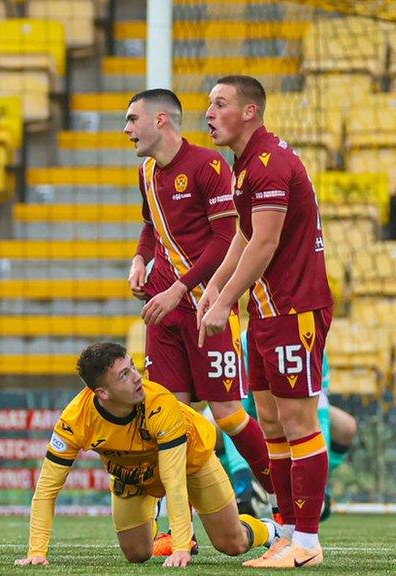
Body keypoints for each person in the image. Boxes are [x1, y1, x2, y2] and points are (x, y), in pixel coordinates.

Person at [123, 89, 274, 555]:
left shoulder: (209, 167)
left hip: (207, 310)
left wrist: (177, 287)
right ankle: (175, 527)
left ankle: (285, 500)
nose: (127, 129)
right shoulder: (147, 171)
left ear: (161, 120)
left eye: (132, 120)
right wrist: (140, 259)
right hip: (164, 315)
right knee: (168, 418)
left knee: (229, 416)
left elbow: (227, 239)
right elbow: (151, 226)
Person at [199, 75, 334, 569]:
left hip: (294, 307)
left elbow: (266, 243)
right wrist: (216, 284)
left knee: (299, 423)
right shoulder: (245, 164)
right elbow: (244, 232)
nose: (209, 113)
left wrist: (222, 303)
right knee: (272, 424)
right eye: (209, 104)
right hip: (267, 310)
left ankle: (308, 542)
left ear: (250, 111)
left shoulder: (269, 163)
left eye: (220, 104)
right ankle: (285, 531)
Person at [14, 342, 279, 569]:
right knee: (136, 554)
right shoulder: (74, 419)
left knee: (233, 544)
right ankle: (147, 519)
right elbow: (47, 489)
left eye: (133, 367)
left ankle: (269, 529)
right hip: (131, 474)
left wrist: (181, 546)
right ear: (102, 393)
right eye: (124, 375)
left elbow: (174, 481)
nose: (137, 377)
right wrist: (37, 552)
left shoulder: (160, 403)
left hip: (191, 462)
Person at [219, 334, 357, 522]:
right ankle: (244, 483)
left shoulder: (314, 345)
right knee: (218, 421)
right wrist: (241, 477)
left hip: (290, 414)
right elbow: (237, 407)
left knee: (345, 426)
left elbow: (318, 413)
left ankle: (308, 481)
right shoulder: (246, 345)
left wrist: (318, 486)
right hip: (252, 414)